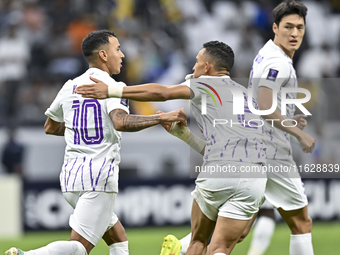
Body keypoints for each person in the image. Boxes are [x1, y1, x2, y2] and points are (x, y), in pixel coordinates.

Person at [76, 40, 268, 255]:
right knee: (223, 246)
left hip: (220, 172)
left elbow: (162, 93)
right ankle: (182, 246)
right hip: (256, 175)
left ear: (207, 68)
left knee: (199, 242)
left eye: (196, 62)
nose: (193, 67)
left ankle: (183, 247)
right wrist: (184, 135)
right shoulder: (247, 97)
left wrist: (112, 90)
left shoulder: (206, 83)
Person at [5, 30, 187, 255]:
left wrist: (82, 128)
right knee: (79, 249)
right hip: (98, 176)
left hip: (71, 177)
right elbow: (120, 122)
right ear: (103, 54)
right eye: (118, 49)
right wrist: (160, 117)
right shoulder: (111, 87)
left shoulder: (70, 86)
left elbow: (49, 127)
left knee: (118, 239)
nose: (122, 55)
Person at [244, 1, 315, 255]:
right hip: (271, 151)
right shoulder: (279, 63)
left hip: (253, 145)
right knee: (301, 222)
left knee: (241, 225)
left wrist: (288, 119)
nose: (294, 33)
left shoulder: (269, 52)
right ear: (275, 27)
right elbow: (264, 104)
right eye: (288, 27)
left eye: (300, 27)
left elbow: (264, 102)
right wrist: (299, 133)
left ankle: (184, 248)